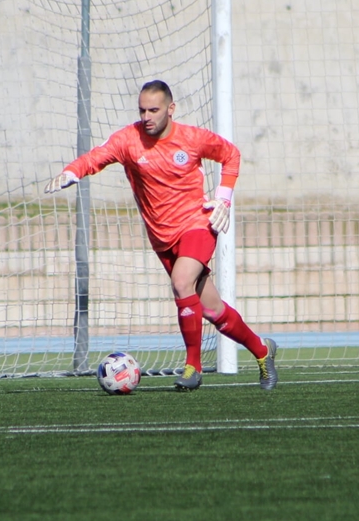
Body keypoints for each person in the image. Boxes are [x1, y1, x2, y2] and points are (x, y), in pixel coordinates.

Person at [45, 79, 278, 392]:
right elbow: (96, 157)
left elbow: (231, 154)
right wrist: (72, 172)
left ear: (171, 109)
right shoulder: (128, 140)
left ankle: (192, 367)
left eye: (153, 110)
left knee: (181, 282)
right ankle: (263, 352)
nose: (146, 116)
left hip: (197, 224)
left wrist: (223, 197)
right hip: (162, 236)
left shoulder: (192, 139)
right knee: (211, 309)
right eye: (142, 110)